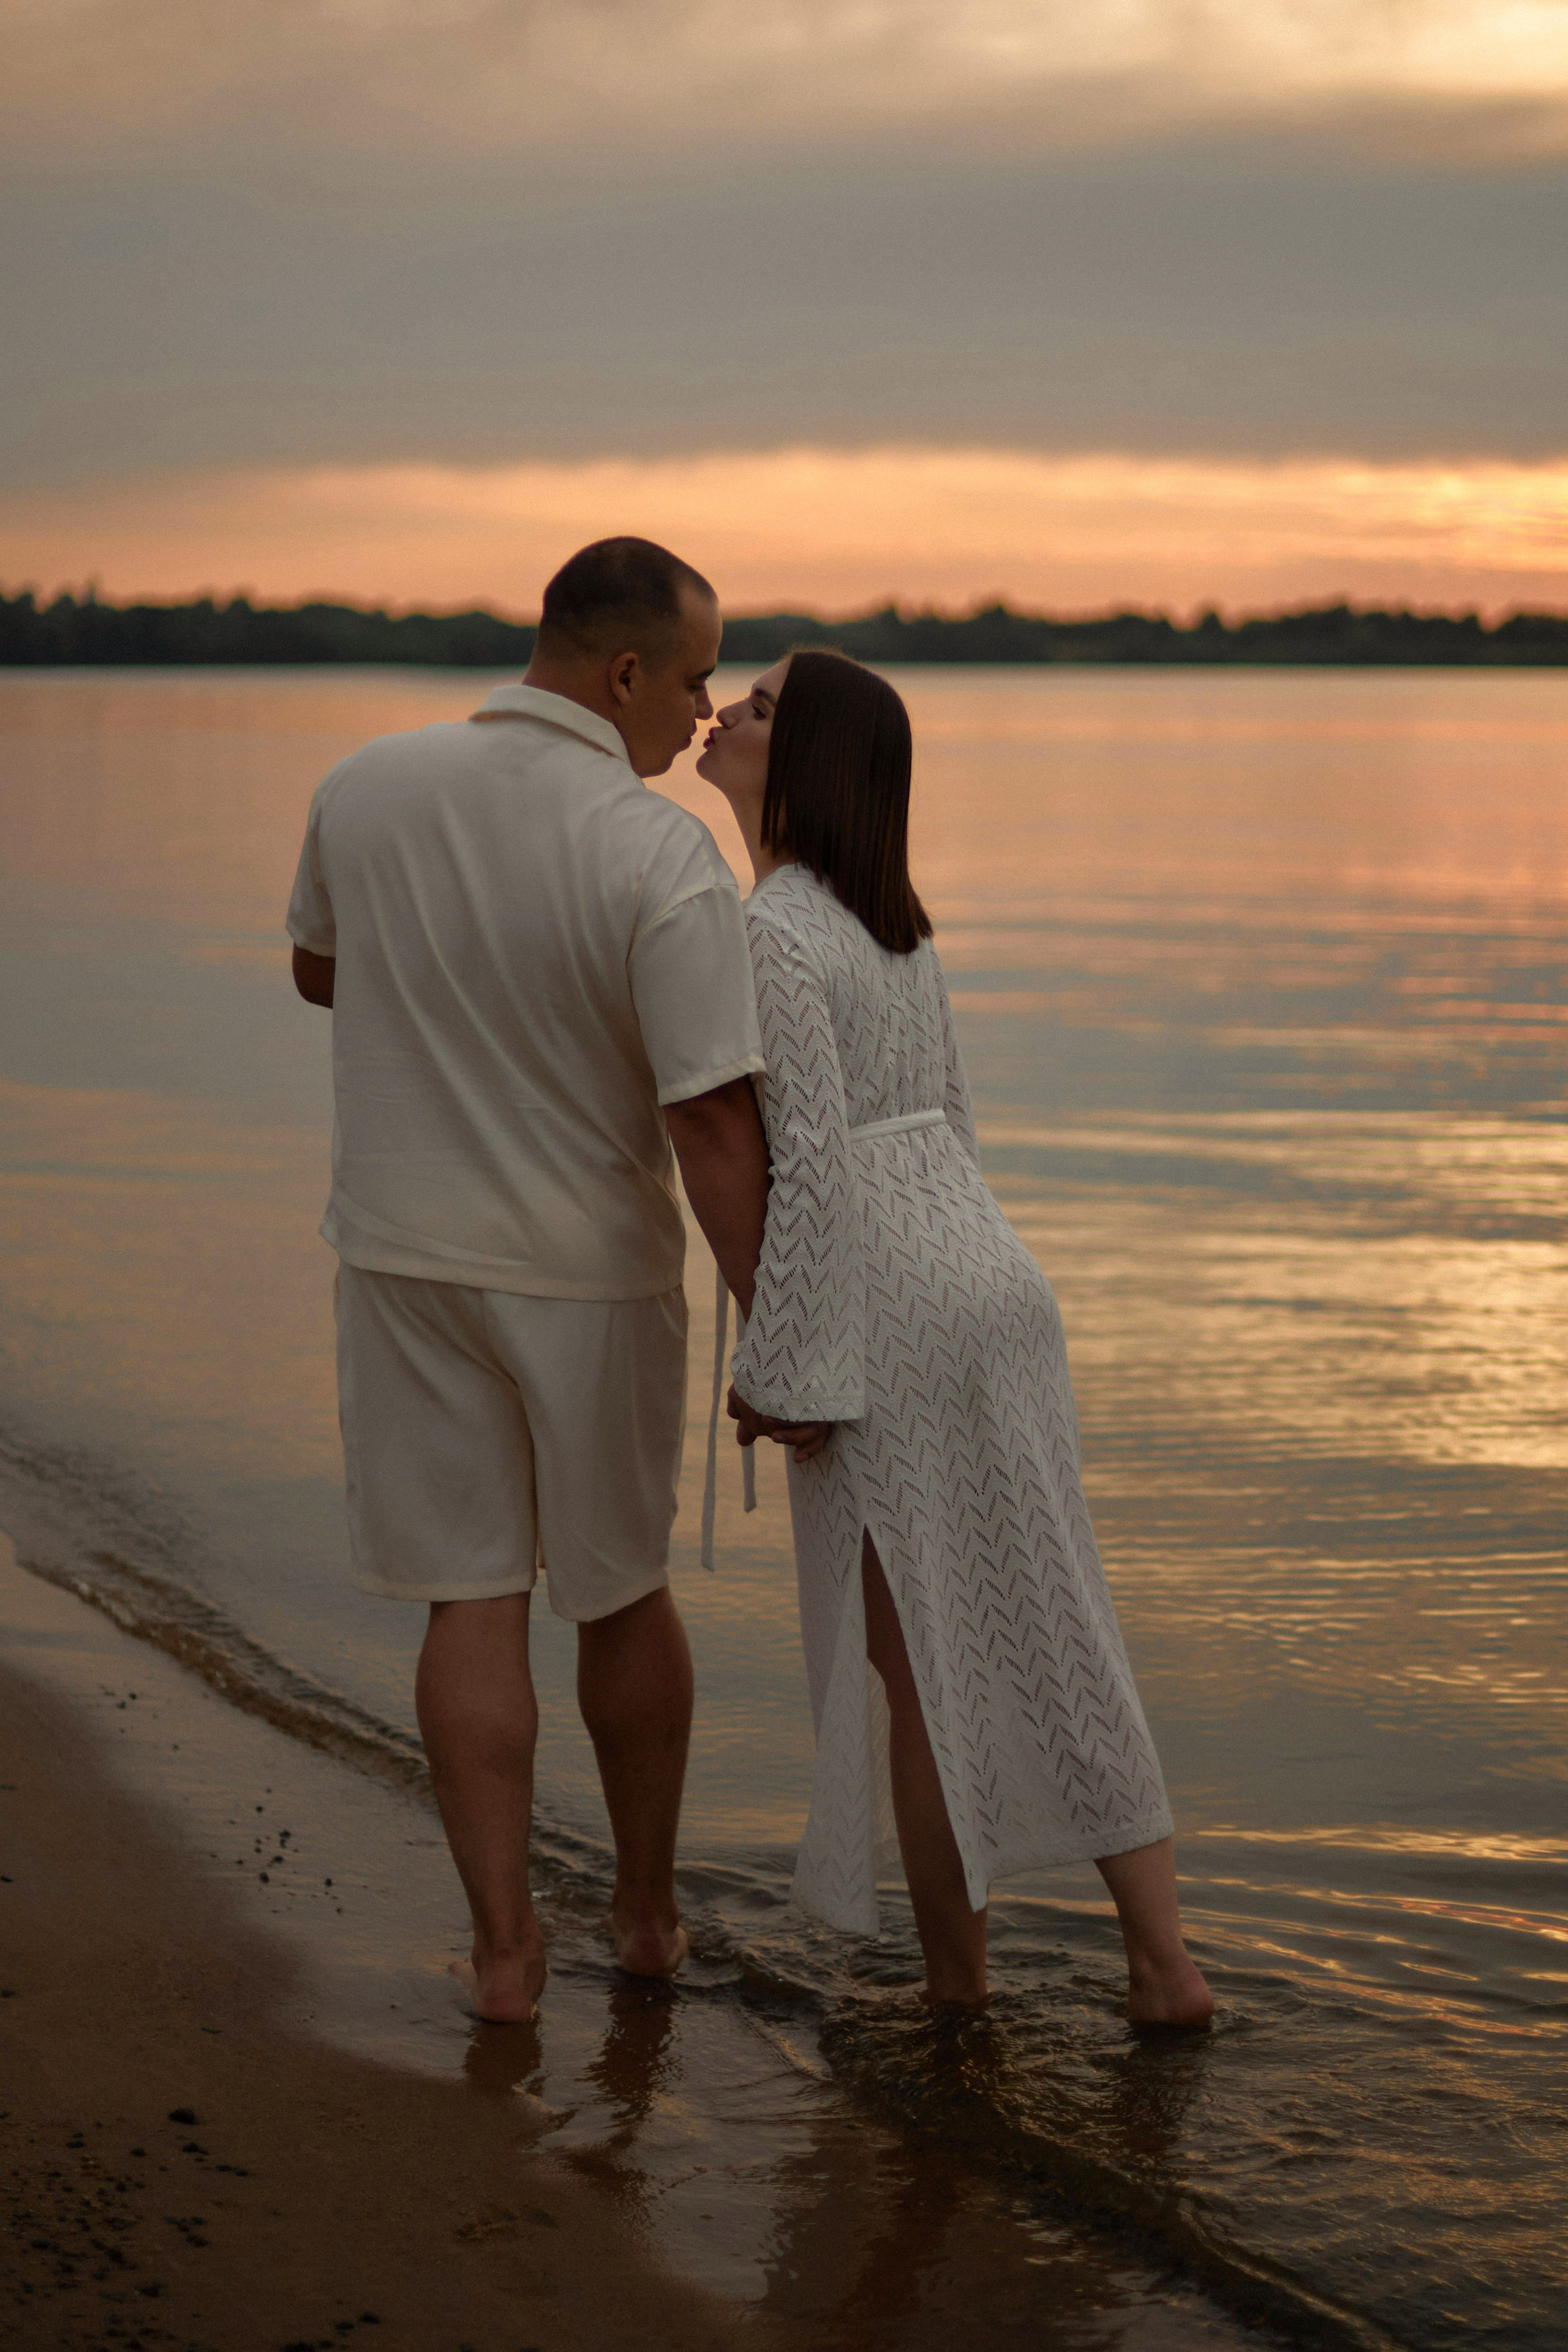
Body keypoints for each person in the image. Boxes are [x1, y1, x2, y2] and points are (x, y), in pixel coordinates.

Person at [286, 538, 769, 2024]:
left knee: (468, 1600)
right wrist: (777, 1316)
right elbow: (705, 1113)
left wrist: (452, 968)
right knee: (617, 1595)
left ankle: (503, 1957)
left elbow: (319, 970)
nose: (699, 716)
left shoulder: (363, 783)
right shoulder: (652, 850)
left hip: (402, 1253)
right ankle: (639, 1918)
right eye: (690, 681)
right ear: (621, 672)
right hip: (585, 1276)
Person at [696, 649, 1213, 2025]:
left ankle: (955, 1993)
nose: (721, 717)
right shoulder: (899, 925)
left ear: (799, 762)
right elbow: (953, 1129)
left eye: (752, 710)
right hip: (995, 1283)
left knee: (918, 1671)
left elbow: (804, 1158)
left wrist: (783, 1364)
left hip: (893, 1310)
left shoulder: (773, 931)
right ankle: (1164, 1967)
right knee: (1058, 1626)